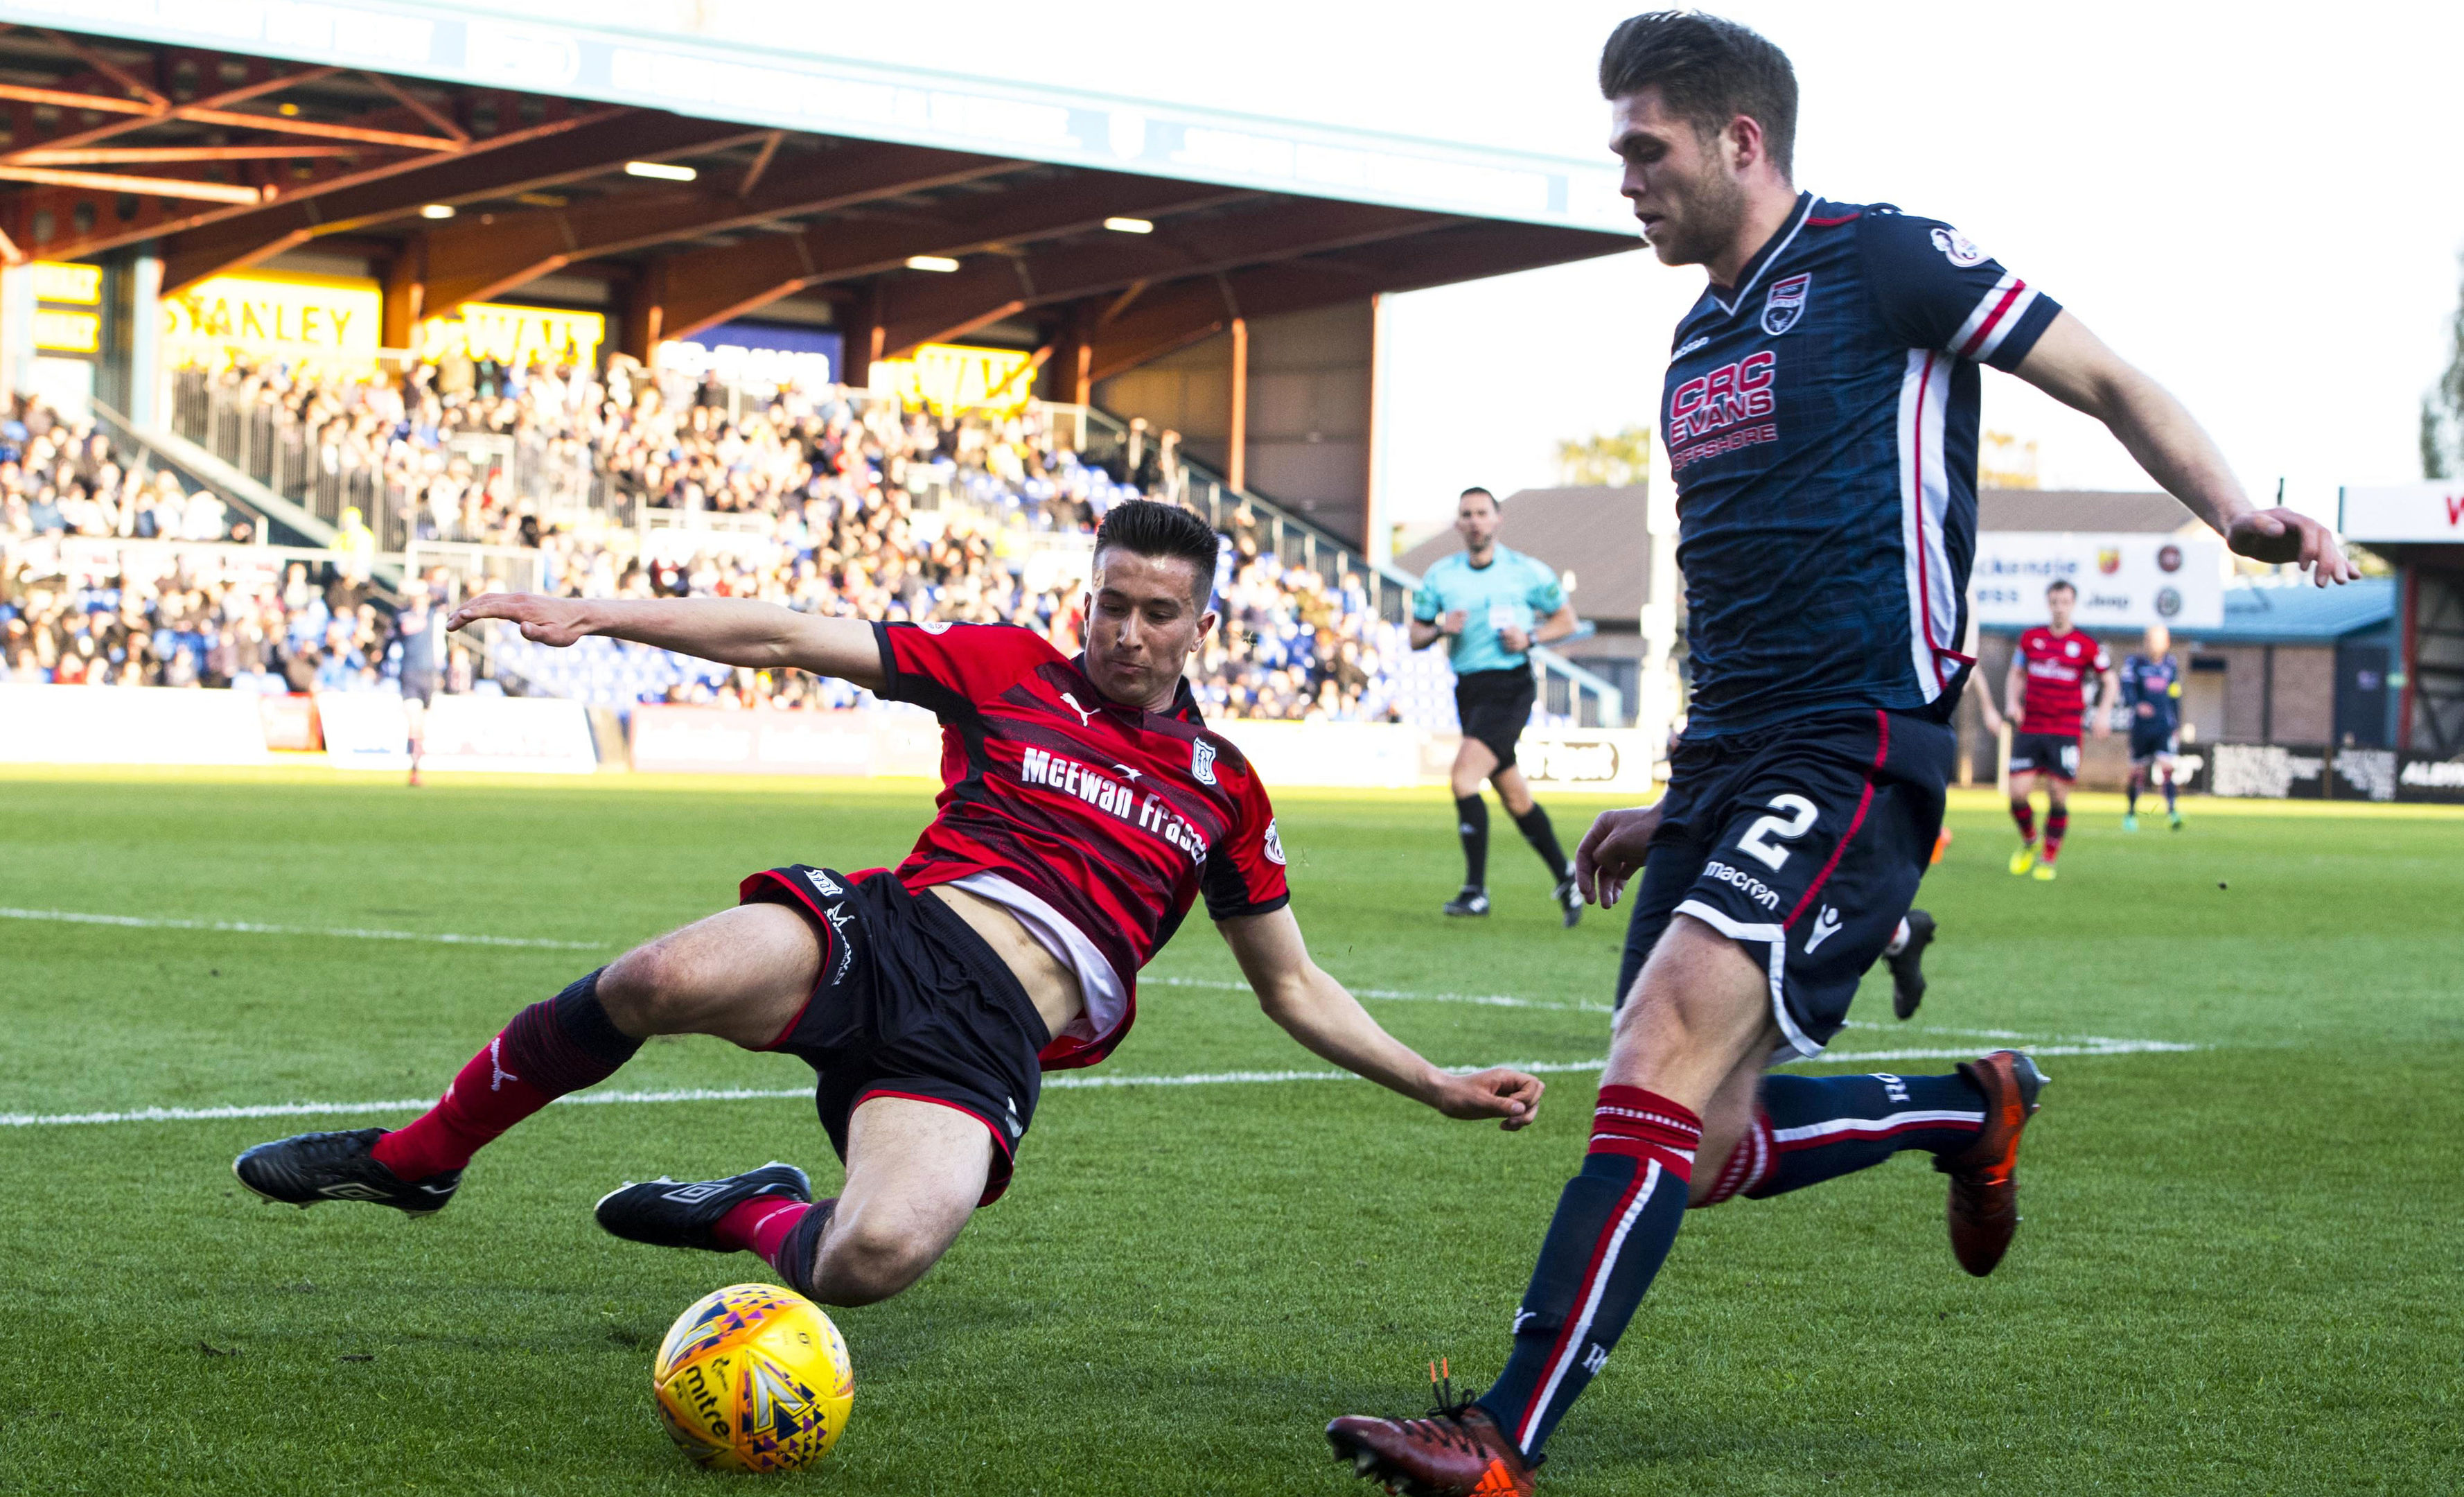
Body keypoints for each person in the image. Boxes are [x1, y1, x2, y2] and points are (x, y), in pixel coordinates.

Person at [1323, 15, 2355, 1494]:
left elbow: (2110, 377)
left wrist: (2230, 511)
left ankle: (1499, 1436)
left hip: (1858, 736)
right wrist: (1675, 793)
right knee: (1705, 1132)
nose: (1622, 179)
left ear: (1738, 142)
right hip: (1730, 755)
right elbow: (1741, 589)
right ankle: (1966, 1107)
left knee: (1658, 1042)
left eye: (1643, 148)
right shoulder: (1693, 341)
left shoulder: (1885, 259)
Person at [233, 500, 1544, 1314]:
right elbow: (791, 637)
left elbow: (1292, 987)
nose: (1125, 632)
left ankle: (740, 1210)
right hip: (891, 933)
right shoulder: (1003, 668)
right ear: (1083, 599)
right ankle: (414, 1163)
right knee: (655, 980)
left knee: (874, 1259)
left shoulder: (1223, 789)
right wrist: (596, 613)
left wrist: (1430, 1082)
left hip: (982, 1042)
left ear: (1203, 627)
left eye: (1157, 614)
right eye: (1109, 605)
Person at [1410, 487, 1585, 924]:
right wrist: (1439, 629)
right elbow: (1415, 636)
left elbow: (1568, 620)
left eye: (1481, 513)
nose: (1474, 521)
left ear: (1497, 520)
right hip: (1468, 689)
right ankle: (1566, 876)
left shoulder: (1526, 571)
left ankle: (1475, 891)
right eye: (1466, 514)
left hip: (1510, 687)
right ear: (1458, 523)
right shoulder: (1440, 576)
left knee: (1464, 779)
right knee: (1514, 796)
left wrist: (1532, 638)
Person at [1981, 578, 2116, 882]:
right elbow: (2017, 673)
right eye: (2055, 602)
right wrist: (2013, 702)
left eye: (2065, 602)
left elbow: (2111, 680)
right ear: (2049, 604)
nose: (2059, 608)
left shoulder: (2086, 644)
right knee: (2017, 794)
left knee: (2057, 794)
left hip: (2066, 728)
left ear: (2073, 604)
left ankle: (2048, 857)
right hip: (2032, 726)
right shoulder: (2031, 639)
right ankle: (2030, 840)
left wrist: (2103, 714)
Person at [2119, 623, 2185, 831]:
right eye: (2152, 640)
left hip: (2163, 726)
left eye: (2160, 640)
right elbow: (2126, 689)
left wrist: (2177, 723)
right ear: (2145, 642)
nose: (2155, 645)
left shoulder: (2170, 666)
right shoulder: (2135, 664)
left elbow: (2175, 695)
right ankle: (2131, 814)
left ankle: (2172, 812)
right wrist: (2138, 705)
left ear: (2166, 643)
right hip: (2141, 727)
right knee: (2137, 771)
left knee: (2168, 767)